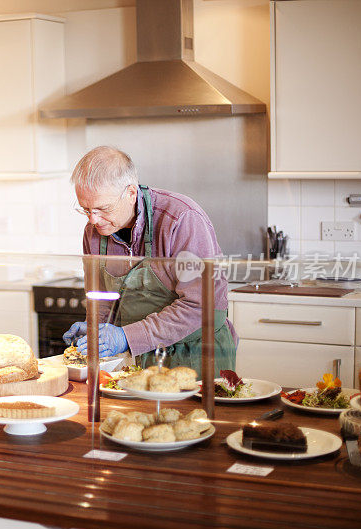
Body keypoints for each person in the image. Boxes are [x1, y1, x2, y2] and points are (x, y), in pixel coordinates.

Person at [62, 146, 236, 378]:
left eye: (103, 209)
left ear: (131, 192)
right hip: (140, 358)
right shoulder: (93, 230)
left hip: (196, 355)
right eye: (85, 210)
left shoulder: (182, 220)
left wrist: (125, 337)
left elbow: (200, 305)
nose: (93, 220)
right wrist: (95, 332)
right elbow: (101, 298)